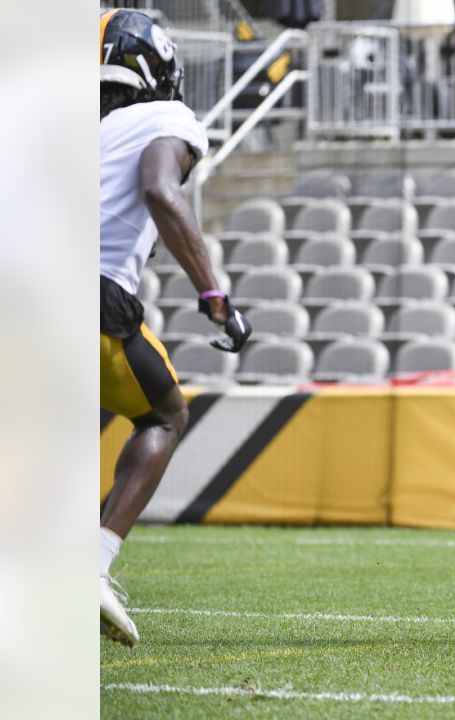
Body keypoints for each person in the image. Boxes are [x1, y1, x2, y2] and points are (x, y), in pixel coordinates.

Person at [99, 9, 252, 646]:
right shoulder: (165, 118)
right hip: (92, 296)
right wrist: (213, 291)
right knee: (165, 413)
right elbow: (163, 190)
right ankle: (91, 562)